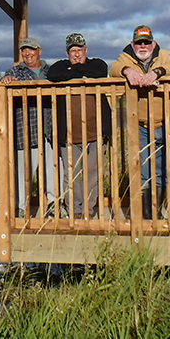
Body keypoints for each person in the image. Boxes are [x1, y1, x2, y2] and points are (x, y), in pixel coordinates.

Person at [109, 25, 170, 219]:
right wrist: (127, 71)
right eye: (139, 43)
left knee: (165, 167)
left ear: (154, 44)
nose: (143, 46)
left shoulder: (166, 55)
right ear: (132, 44)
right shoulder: (126, 57)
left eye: (146, 42)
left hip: (168, 121)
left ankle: (159, 210)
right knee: (143, 169)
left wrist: (157, 72)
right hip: (140, 125)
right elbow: (113, 68)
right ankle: (146, 214)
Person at [47, 33, 111, 219]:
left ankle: (88, 211)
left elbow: (101, 71)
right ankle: (75, 209)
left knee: (93, 173)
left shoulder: (96, 64)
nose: (76, 54)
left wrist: (73, 72)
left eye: (80, 50)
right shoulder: (59, 66)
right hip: (68, 134)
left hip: (96, 133)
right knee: (71, 174)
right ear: (67, 53)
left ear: (86, 51)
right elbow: (53, 75)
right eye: (73, 51)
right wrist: (78, 72)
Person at [1, 37, 54, 218]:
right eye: (24, 50)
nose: (27, 53)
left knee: (53, 172)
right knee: (23, 173)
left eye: (30, 49)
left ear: (39, 50)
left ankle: (54, 206)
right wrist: (7, 80)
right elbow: (5, 85)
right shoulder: (15, 71)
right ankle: (21, 207)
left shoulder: (52, 72)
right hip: (26, 132)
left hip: (50, 130)